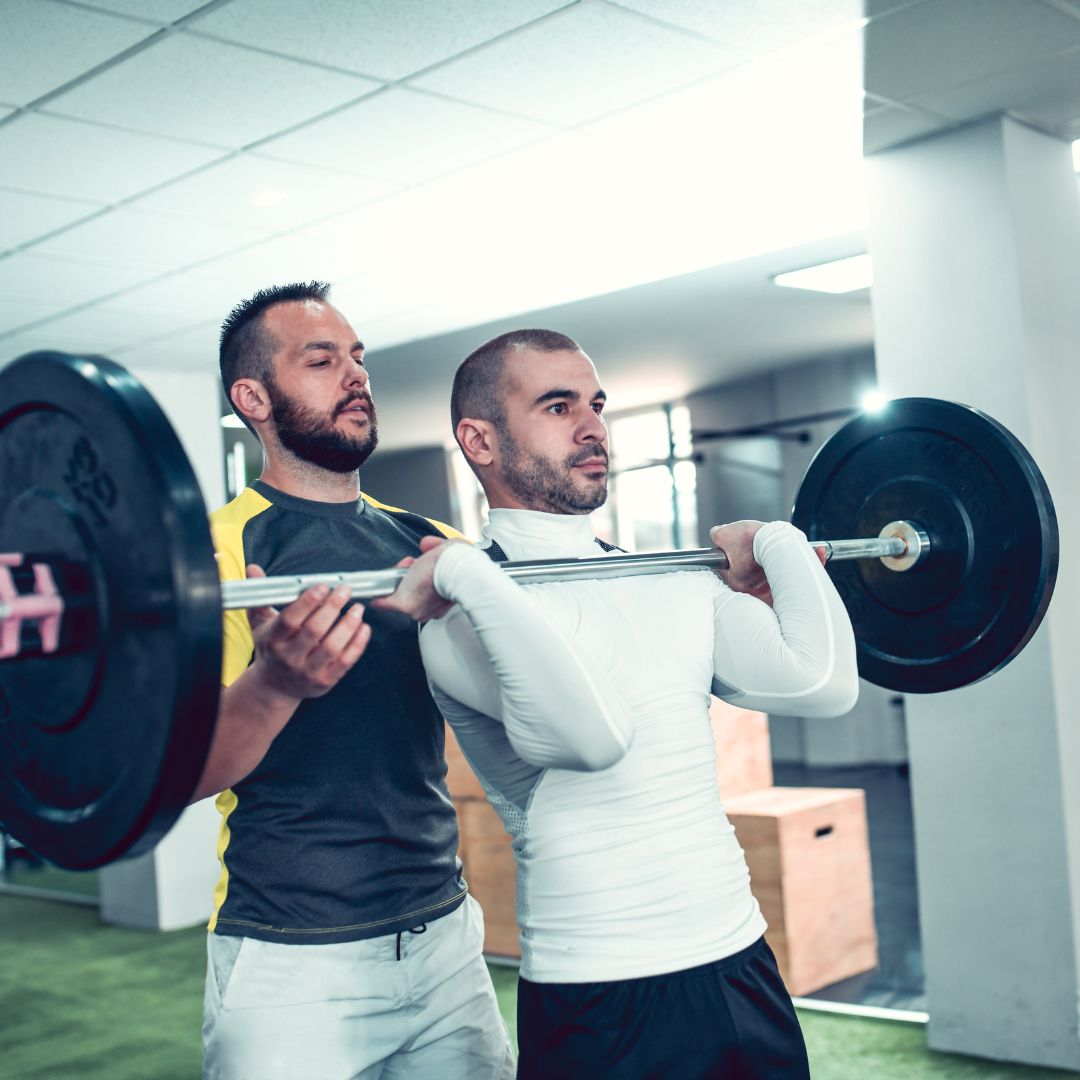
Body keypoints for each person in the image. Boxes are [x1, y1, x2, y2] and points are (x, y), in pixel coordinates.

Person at [411, 328, 860, 1079]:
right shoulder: (459, 616)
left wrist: (776, 540)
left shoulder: (665, 577)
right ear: (478, 440)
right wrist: (465, 567)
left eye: (595, 404)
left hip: (739, 961)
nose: (592, 428)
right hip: (599, 990)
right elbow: (590, 736)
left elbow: (822, 682)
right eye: (557, 406)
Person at [196, 281, 514, 1079]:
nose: (356, 375)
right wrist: (274, 685)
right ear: (253, 396)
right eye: (322, 359)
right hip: (291, 960)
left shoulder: (433, 543)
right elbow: (181, 773)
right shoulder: (216, 558)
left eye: (359, 357)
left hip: (444, 939)